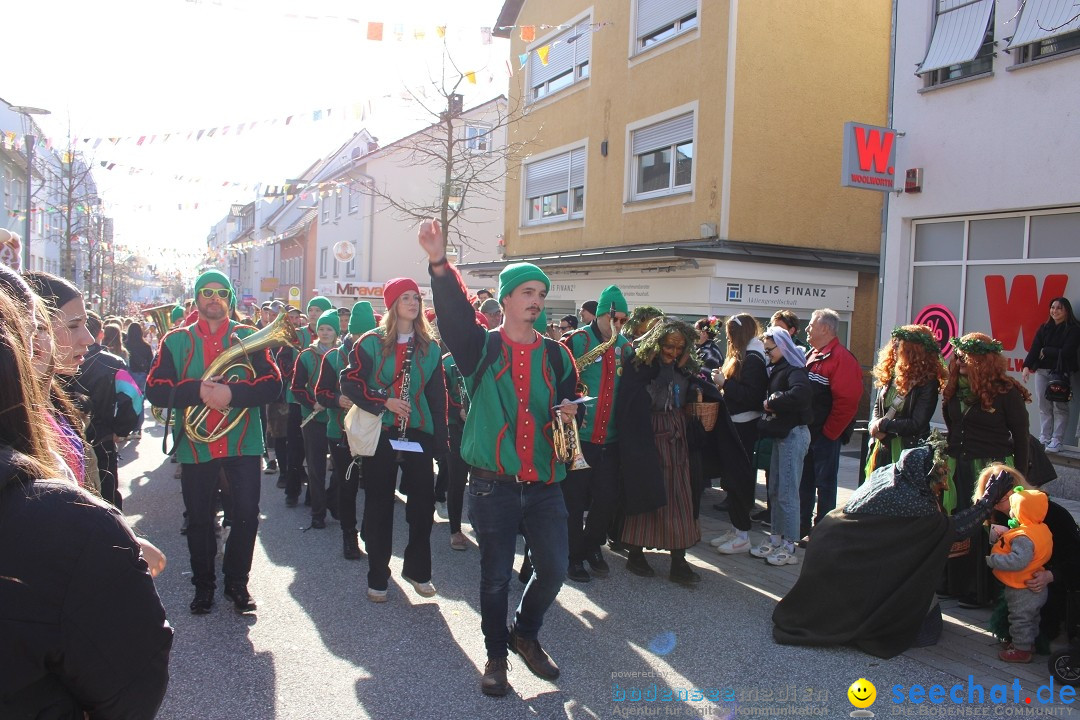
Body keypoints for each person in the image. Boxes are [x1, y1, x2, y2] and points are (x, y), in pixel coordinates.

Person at [422, 218, 579, 697]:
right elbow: (452, 318)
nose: (535, 299)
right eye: (526, 291)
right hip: (493, 485)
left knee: (553, 569)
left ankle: (524, 633)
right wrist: (438, 262)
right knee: (494, 579)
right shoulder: (480, 348)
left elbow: (567, 426)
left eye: (540, 292)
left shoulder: (558, 357)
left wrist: (568, 418)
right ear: (507, 299)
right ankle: (495, 656)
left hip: (545, 485)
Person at [0, 286, 174, 719]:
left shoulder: (53, 406)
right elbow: (133, 677)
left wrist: (118, 533)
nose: (88, 338)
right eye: (67, 326)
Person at [772, 443, 1014, 658]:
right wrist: (986, 502)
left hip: (834, 551)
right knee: (924, 629)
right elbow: (954, 530)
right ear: (925, 474)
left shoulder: (891, 475)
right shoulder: (913, 503)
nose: (943, 482)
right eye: (940, 475)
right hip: (847, 568)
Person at [146, 270, 282, 615]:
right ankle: (204, 585)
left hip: (243, 443)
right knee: (199, 518)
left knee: (247, 515)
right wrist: (198, 391)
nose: (214, 297)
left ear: (230, 300)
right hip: (197, 445)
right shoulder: (175, 341)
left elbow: (272, 384)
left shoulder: (250, 336)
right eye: (206, 291)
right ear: (196, 298)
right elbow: (155, 388)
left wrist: (231, 392)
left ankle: (237, 582)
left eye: (222, 292)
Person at [340, 277, 448, 604]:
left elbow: (435, 397)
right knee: (379, 504)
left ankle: (417, 569)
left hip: (416, 432)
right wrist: (382, 400)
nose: (413, 303)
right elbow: (350, 383)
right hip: (383, 430)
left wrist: (442, 446)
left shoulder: (429, 346)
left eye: (416, 297)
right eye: (405, 298)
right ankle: (378, 574)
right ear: (392, 305)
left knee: (422, 504)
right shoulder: (370, 343)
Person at [941, 332, 1031, 604]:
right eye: (957, 356)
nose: (960, 361)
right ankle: (954, 583)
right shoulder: (954, 388)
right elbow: (953, 428)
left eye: (966, 357)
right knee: (957, 521)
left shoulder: (1006, 392)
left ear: (984, 360)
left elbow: (1022, 437)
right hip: (959, 465)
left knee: (987, 528)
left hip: (991, 470)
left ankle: (983, 593)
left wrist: (1021, 481)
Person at [616, 317, 707, 583]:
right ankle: (635, 552)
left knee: (680, 495)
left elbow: (691, 391)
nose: (674, 353)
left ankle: (679, 560)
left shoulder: (684, 367)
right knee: (647, 491)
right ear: (657, 342)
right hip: (648, 435)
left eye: (680, 348)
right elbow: (630, 403)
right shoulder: (640, 366)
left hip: (677, 437)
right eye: (669, 346)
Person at [561, 286, 630, 583]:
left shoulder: (625, 347)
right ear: (602, 314)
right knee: (574, 501)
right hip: (581, 437)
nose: (619, 326)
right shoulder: (577, 341)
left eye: (624, 321)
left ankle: (593, 547)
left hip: (610, 440)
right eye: (615, 319)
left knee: (606, 498)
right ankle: (572, 555)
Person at [750, 326, 812, 566]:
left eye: (770, 350)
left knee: (786, 492)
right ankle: (776, 539)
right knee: (776, 489)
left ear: (782, 346)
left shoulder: (794, 368)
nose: (767, 354)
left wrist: (773, 401)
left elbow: (801, 394)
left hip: (793, 434)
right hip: (784, 434)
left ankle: (789, 546)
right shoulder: (782, 367)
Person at [317, 301, 375, 560]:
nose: (361, 340)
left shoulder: (379, 353)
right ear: (349, 333)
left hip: (373, 430)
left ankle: (369, 531)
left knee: (374, 486)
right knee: (347, 485)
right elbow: (321, 392)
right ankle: (348, 535)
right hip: (339, 431)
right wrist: (337, 399)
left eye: (366, 334)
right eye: (356, 335)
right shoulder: (333, 357)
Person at [799, 308, 863, 540]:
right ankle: (801, 527)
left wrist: (829, 433)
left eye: (811, 325)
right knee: (804, 483)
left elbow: (848, 401)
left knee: (824, 486)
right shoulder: (812, 354)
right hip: (808, 433)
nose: (807, 329)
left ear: (825, 328)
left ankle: (822, 533)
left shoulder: (841, 358)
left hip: (823, 436)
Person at [710, 313, 768, 554]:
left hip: (744, 426)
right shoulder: (746, 355)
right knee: (732, 480)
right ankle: (737, 529)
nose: (728, 339)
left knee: (739, 480)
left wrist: (725, 384)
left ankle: (742, 533)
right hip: (736, 423)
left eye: (730, 335)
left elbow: (752, 396)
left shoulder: (753, 358)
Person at [72, 311, 141, 508]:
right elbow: (133, 399)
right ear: (100, 333)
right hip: (102, 439)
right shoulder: (113, 362)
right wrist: (120, 430)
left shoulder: (60, 359)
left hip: (68, 437)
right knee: (107, 497)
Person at [865, 324, 947, 474]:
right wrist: (873, 425)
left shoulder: (927, 382)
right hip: (882, 446)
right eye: (893, 343)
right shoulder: (890, 374)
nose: (894, 348)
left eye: (899, 345)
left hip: (907, 450)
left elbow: (917, 423)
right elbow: (878, 406)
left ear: (913, 351)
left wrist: (883, 426)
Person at [441, 311, 490, 551]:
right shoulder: (446, 361)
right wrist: (456, 411)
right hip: (456, 429)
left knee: (482, 481)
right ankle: (454, 529)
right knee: (457, 480)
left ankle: (481, 526)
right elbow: (439, 395)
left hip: (482, 429)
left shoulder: (489, 358)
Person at [986, 484, 1052, 663]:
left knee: (1020, 618)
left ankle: (1021, 650)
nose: (1011, 512)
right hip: (1035, 583)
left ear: (1021, 512)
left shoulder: (1023, 537)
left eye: (1014, 508)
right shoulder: (1041, 529)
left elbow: (1018, 561)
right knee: (1032, 617)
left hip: (1022, 587)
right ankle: (1029, 644)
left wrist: (993, 560)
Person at [292, 309, 341, 529]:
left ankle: (332, 498)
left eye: (329, 328)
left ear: (336, 331)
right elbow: (296, 388)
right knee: (315, 467)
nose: (324, 332)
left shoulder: (343, 355)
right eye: (321, 328)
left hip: (337, 418)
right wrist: (312, 403)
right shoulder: (305, 355)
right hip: (312, 419)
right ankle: (318, 512)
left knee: (340, 468)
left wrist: (332, 400)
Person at [1022, 297, 1079, 453]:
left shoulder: (1073, 329)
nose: (1054, 311)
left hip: (1061, 373)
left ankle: (1057, 440)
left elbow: (1067, 351)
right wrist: (1026, 366)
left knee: (1060, 406)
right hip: (1042, 371)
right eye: (1052, 307)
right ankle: (1044, 437)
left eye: (1059, 308)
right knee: (1043, 405)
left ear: (1066, 310)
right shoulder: (1045, 328)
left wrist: (1046, 351)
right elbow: (1035, 348)